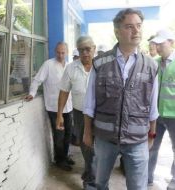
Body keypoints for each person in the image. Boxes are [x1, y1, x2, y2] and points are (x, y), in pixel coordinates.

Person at [83, 8, 159, 190]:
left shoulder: (150, 66)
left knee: (138, 187)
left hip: (137, 139)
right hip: (104, 138)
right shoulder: (100, 64)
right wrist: (87, 131)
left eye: (139, 26)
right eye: (129, 26)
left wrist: (152, 134)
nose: (136, 31)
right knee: (100, 183)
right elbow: (89, 103)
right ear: (117, 32)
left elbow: (152, 106)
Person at [25, 42, 74, 171]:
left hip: (68, 107)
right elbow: (37, 80)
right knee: (59, 134)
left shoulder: (70, 66)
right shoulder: (48, 64)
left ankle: (65, 155)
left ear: (67, 52)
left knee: (68, 133)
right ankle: (60, 160)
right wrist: (32, 93)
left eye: (63, 52)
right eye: (58, 52)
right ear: (54, 51)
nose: (60, 55)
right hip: (54, 107)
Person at [56, 36, 96, 189]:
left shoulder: (101, 67)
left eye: (88, 49)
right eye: (81, 50)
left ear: (94, 48)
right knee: (86, 146)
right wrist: (59, 115)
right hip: (79, 115)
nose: (85, 53)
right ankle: (90, 178)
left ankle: (91, 178)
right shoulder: (71, 68)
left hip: (100, 115)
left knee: (99, 149)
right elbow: (64, 92)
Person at [148, 29, 175, 190]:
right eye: (156, 44)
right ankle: (147, 177)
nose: (158, 47)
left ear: (171, 43)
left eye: (161, 44)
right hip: (156, 116)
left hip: (174, 116)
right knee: (151, 146)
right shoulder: (155, 63)